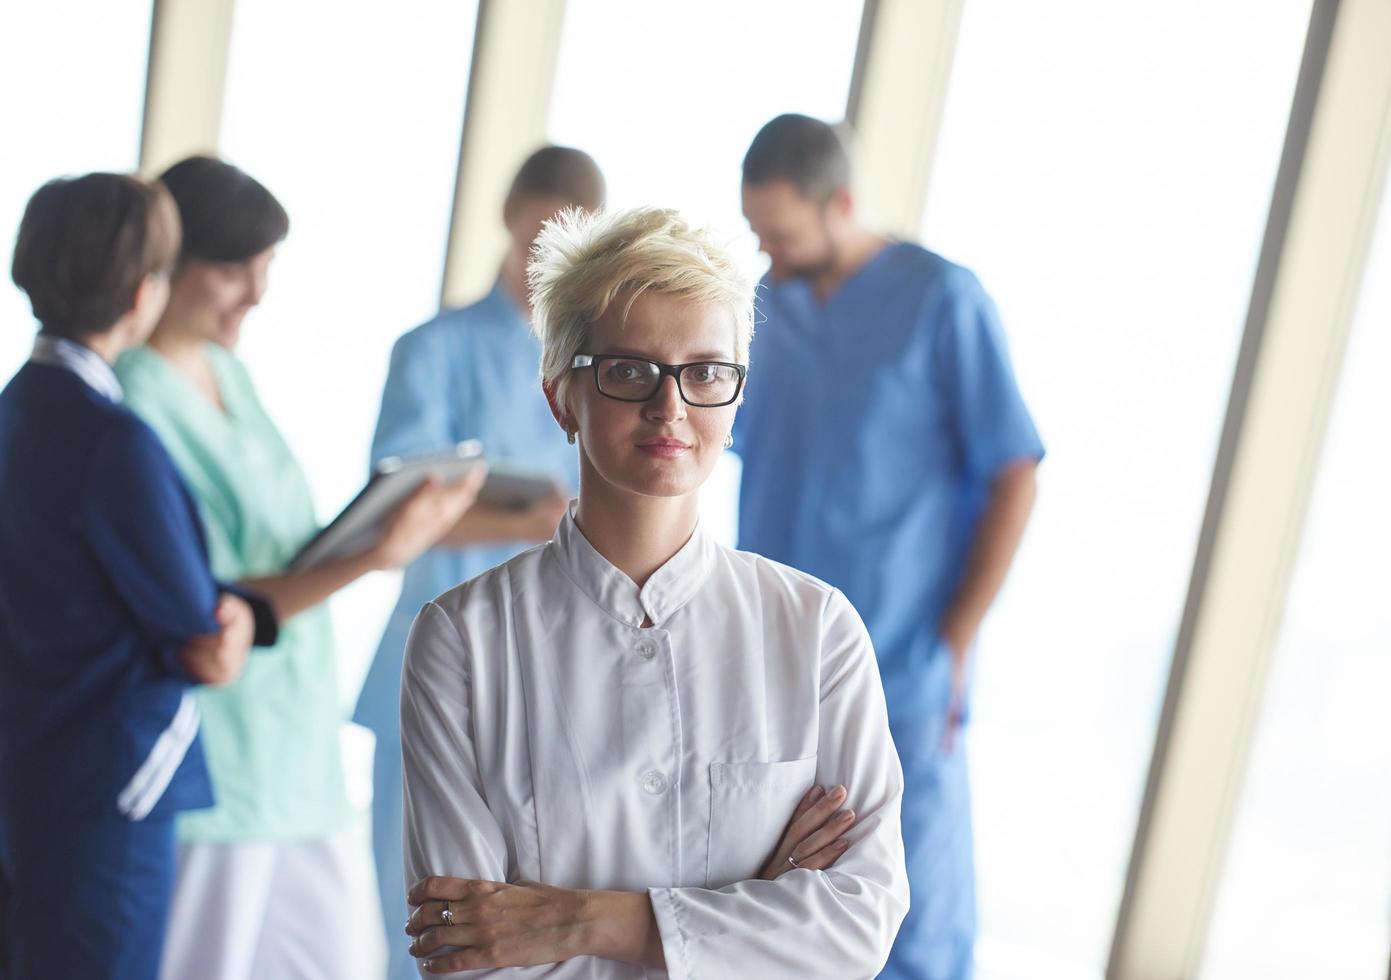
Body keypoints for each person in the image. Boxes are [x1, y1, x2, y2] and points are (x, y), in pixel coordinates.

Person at [397, 206, 909, 978]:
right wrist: (751, 909)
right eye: (628, 370)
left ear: (734, 401)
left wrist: (582, 920)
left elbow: (856, 923)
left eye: (704, 371)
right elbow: (475, 957)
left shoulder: (817, 630)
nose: (669, 406)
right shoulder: (462, 641)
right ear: (560, 398)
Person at [113, 156, 482, 980]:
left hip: (296, 755)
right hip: (224, 757)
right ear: (170, 266)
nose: (257, 292)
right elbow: (204, 599)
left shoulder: (226, 375)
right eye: (235, 268)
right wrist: (377, 556)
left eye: (266, 267)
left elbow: (275, 549)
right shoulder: (136, 406)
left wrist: (379, 527)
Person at [735, 114, 1044, 979]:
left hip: (900, 663)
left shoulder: (941, 299)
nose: (769, 256)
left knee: (916, 923)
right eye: (756, 236)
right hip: (774, 661)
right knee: (773, 902)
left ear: (840, 204)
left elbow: (1013, 473)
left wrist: (952, 643)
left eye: (783, 234)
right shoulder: (765, 312)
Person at [0, 172, 277, 979]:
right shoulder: (111, 441)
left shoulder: (17, 410)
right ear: (140, 291)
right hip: (109, 784)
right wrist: (245, 617)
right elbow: (192, 617)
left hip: (28, 769)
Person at [356, 144, 602, 978]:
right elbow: (395, 517)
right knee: (418, 917)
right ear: (507, 216)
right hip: (436, 654)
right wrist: (526, 519)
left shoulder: (591, 365)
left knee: (530, 921)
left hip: (553, 670)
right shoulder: (431, 350)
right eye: (537, 230)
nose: (546, 257)